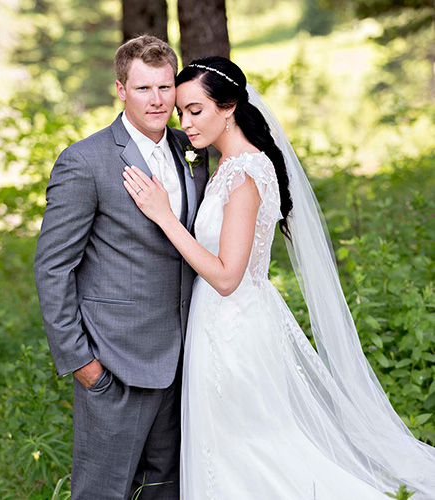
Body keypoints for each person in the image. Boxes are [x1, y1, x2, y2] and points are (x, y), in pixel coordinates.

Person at [122, 56, 435, 499]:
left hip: (233, 332)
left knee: (252, 450)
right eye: (181, 113)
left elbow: (229, 276)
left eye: (196, 110)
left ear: (228, 107)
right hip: (218, 325)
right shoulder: (228, 168)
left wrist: (165, 217)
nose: (186, 124)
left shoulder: (246, 172)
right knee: (230, 449)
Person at [34, 35, 209, 500]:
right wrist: (83, 364)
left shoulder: (192, 152)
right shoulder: (85, 162)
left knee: (166, 490)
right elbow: (53, 268)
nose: (156, 100)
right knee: (102, 492)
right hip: (115, 365)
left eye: (165, 87)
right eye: (143, 89)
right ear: (120, 89)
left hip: (187, 360)